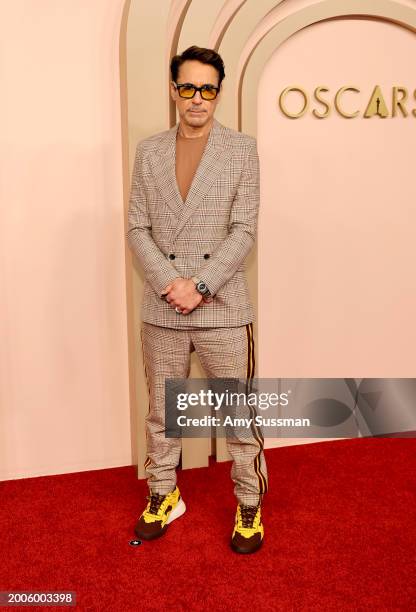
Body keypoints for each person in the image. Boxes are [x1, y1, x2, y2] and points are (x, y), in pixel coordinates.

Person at [126, 45, 268, 554]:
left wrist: (200, 285)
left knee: (238, 413)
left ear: (218, 92)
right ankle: (163, 493)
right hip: (163, 306)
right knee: (163, 412)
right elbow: (137, 226)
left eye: (207, 89)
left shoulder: (241, 149)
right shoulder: (149, 151)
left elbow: (244, 231)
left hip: (223, 307)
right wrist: (171, 282)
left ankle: (249, 503)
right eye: (188, 88)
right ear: (174, 90)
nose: (197, 99)